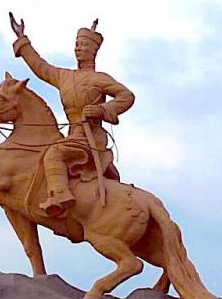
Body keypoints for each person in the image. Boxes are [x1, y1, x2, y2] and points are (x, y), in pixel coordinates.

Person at [8, 12, 135, 216]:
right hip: (73, 134)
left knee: (53, 154)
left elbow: (126, 96)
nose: (78, 49)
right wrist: (22, 39)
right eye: (76, 45)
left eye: (83, 45)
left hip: (90, 136)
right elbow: (40, 66)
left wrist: (102, 110)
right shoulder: (64, 76)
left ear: (93, 51)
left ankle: (59, 196)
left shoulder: (99, 78)